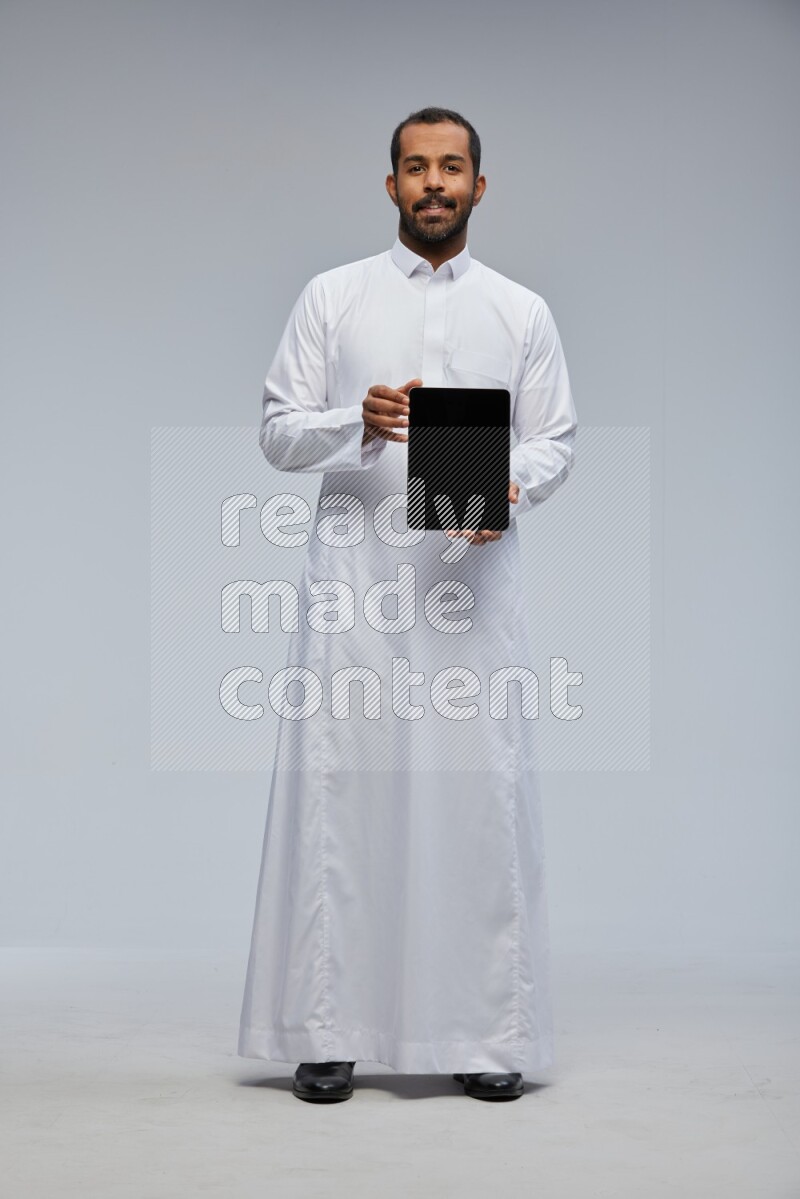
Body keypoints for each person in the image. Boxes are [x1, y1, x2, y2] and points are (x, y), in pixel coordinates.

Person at [238, 106, 578, 1103]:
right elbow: (276, 432)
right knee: (343, 796)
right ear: (388, 184)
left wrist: (509, 488)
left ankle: (483, 1029)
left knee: (476, 802)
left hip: (469, 594)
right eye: (415, 166)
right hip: (354, 595)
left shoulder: (520, 312)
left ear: (479, 185)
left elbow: (554, 438)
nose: (434, 182)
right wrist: (358, 418)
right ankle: (328, 1026)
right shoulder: (331, 299)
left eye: (452, 166)